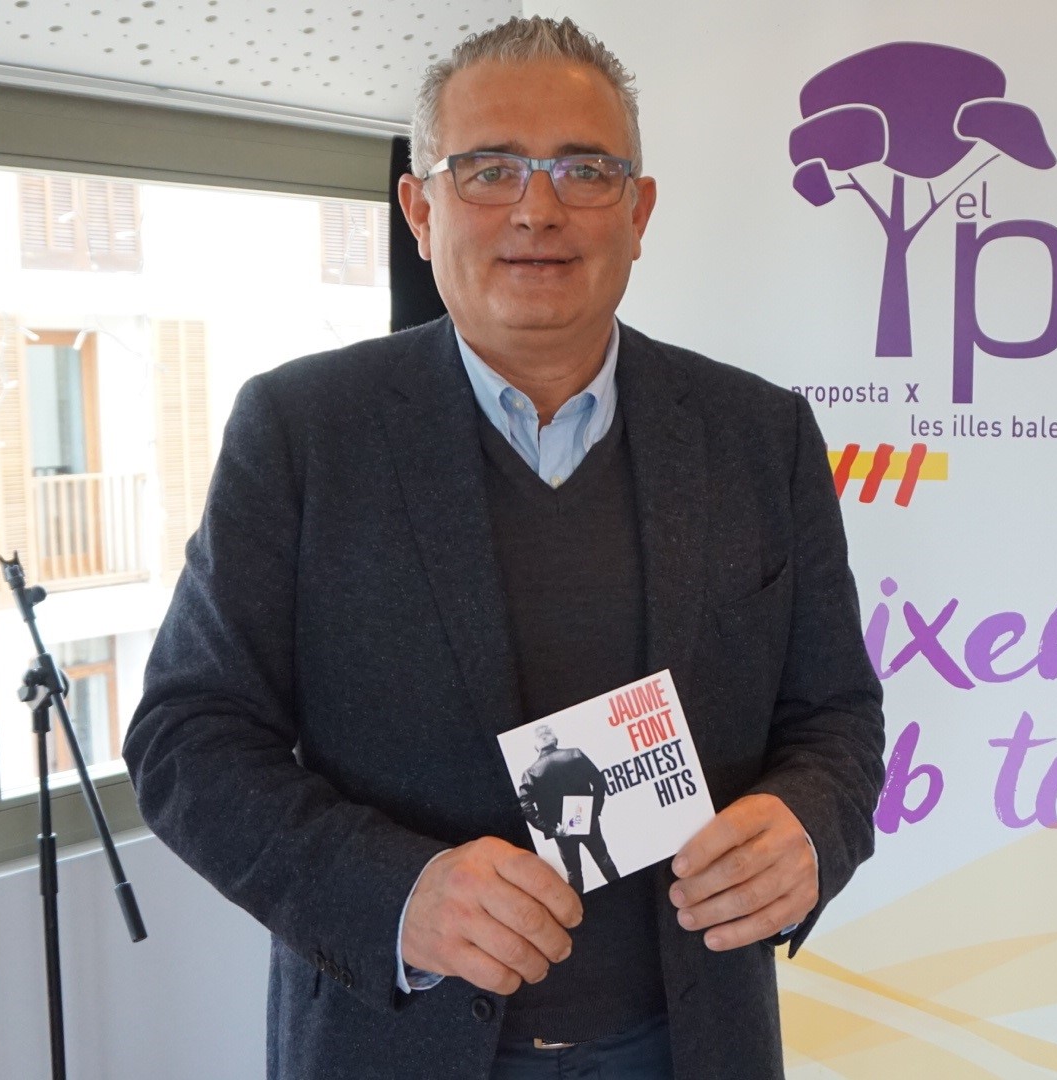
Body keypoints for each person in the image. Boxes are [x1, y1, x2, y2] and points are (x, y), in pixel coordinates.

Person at [123, 15, 884, 1079]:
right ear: (419, 211)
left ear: (638, 211)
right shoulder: (303, 433)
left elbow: (837, 716)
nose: (538, 208)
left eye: (584, 169)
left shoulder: (759, 437)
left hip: (691, 1044)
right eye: (489, 170)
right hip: (397, 1041)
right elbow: (185, 739)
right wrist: (395, 893)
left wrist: (810, 827)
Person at [517, 724, 620, 894]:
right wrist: (593, 811)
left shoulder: (530, 773)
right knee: (604, 860)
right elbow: (599, 782)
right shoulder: (575, 754)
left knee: (574, 873)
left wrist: (551, 829)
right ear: (555, 740)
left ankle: (580, 909)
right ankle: (624, 894)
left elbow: (526, 808)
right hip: (588, 821)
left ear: (537, 747)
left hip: (562, 831)